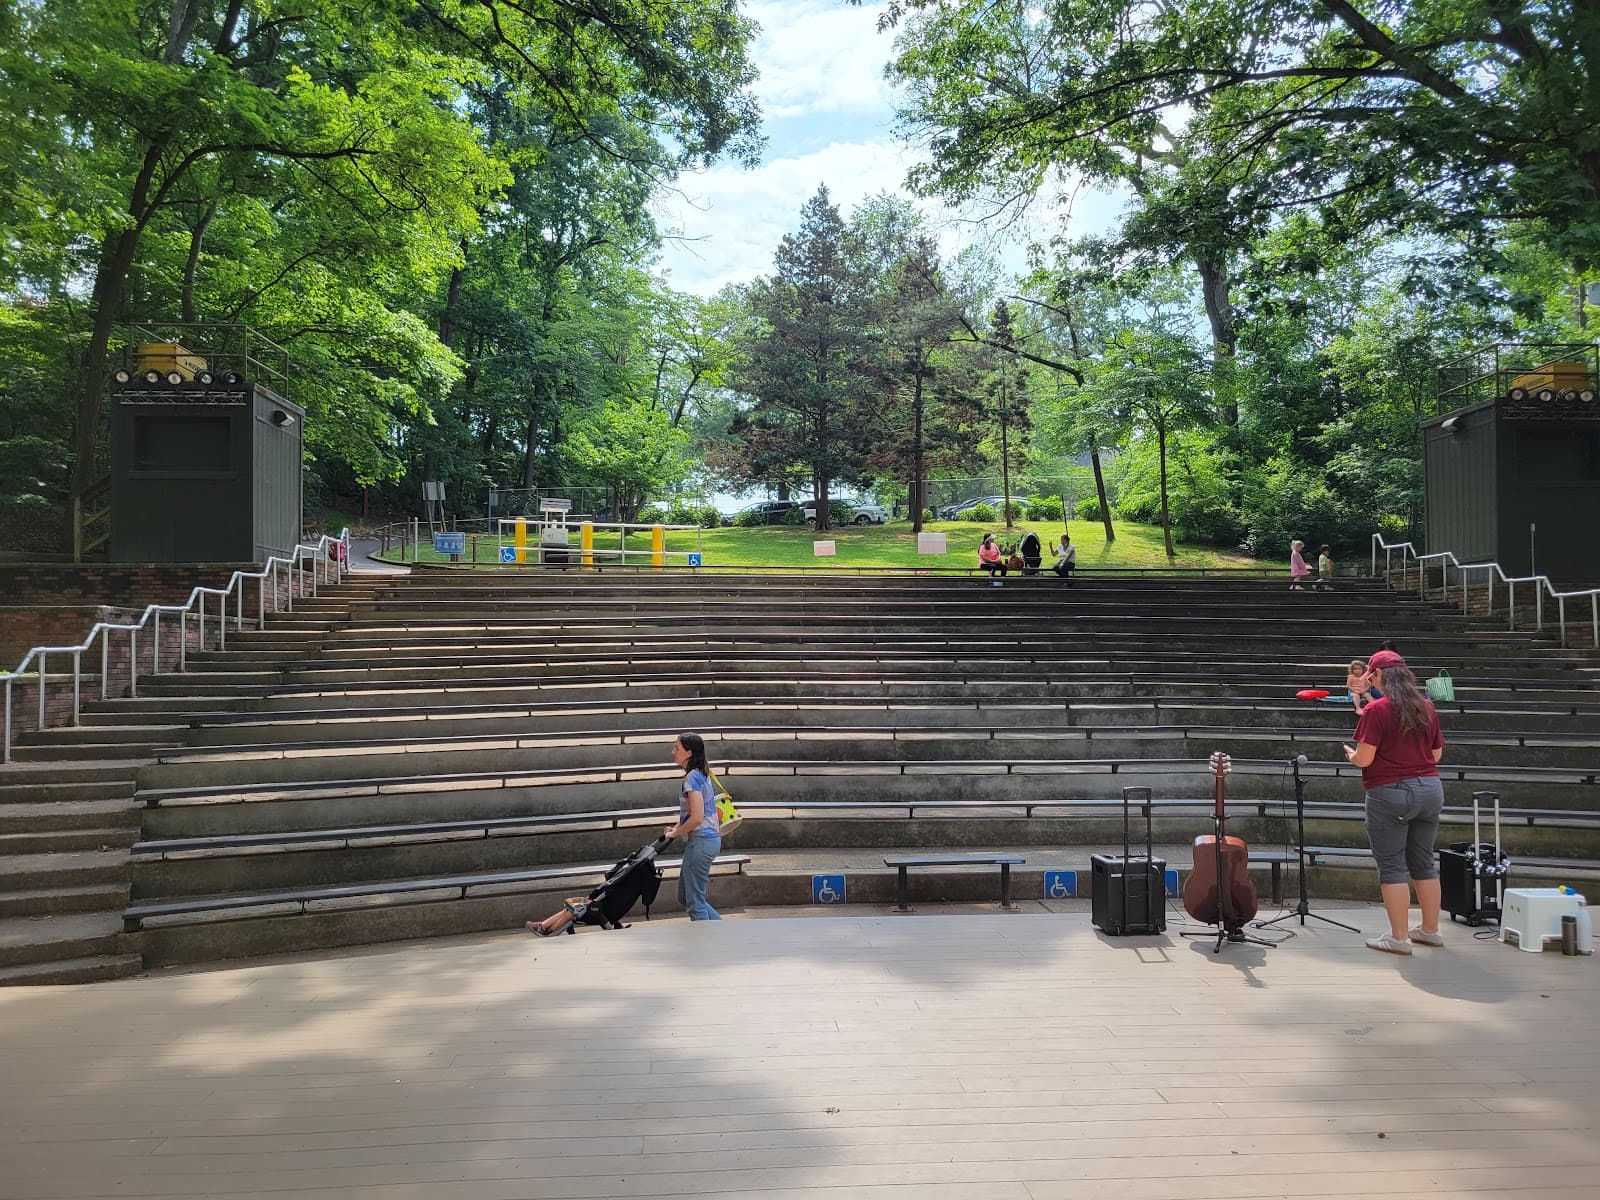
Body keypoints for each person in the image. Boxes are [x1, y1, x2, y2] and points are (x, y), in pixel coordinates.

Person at [1342, 649, 1445, 955]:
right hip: (1430, 789)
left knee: (1392, 867)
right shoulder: (1426, 707)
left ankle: (1399, 938)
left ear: (1377, 676)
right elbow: (1436, 754)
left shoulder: (1376, 710)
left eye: (1370, 676)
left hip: (1390, 792)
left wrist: (1351, 755)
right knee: (1424, 862)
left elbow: (1365, 758)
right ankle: (1430, 930)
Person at [665, 731, 721, 920]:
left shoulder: (691, 778)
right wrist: (676, 828)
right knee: (686, 896)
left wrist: (675, 834)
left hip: (701, 842)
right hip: (706, 841)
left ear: (688, 753)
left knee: (695, 904)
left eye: (677, 748)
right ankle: (724, 930)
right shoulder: (700, 774)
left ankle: (708, 938)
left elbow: (697, 818)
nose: (673, 752)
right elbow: (692, 812)